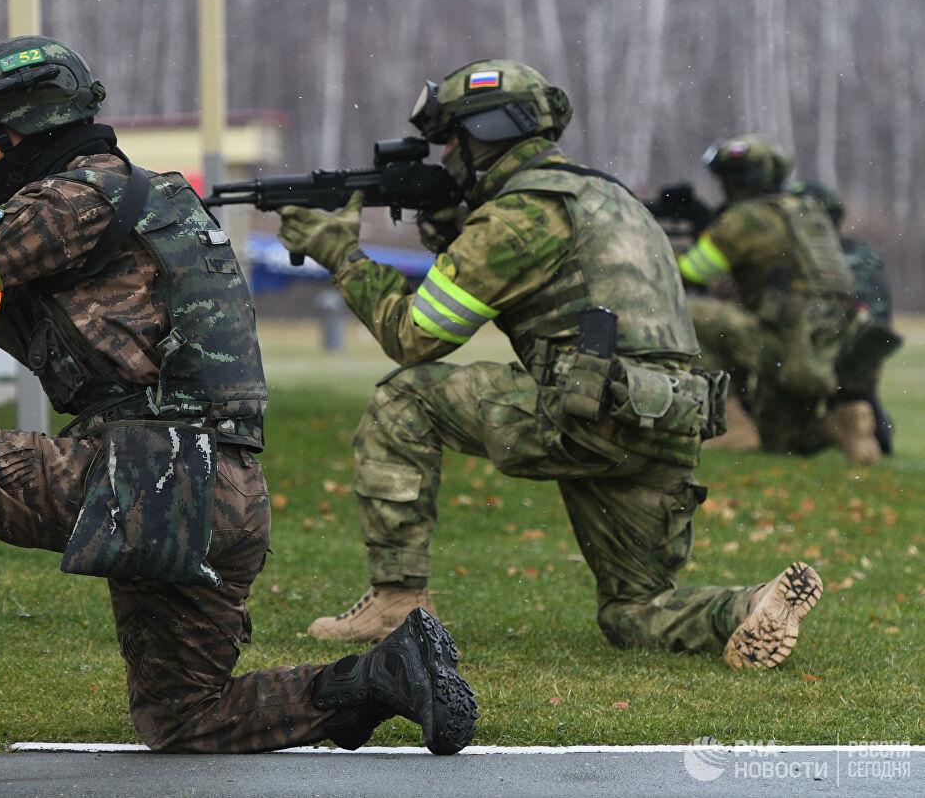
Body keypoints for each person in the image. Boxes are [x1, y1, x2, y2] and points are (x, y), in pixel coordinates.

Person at [0, 35, 477, 756]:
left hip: (154, 473)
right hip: (218, 489)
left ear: (29, 130)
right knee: (186, 716)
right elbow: (25, 313)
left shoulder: (75, 199)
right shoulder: (142, 197)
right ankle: (385, 676)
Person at [274, 59, 821, 671]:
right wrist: (449, 226)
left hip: (587, 413)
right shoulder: (609, 197)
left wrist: (340, 253)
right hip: (668, 418)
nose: (446, 154)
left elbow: (416, 336)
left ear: (483, 134)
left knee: (406, 397)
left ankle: (397, 600)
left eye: (451, 138)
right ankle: (752, 604)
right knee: (633, 610)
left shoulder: (521, 211)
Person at [677, 137, 881, 465]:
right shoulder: (806, 211)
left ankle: (729, 424)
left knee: (681, 311)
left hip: (785, 346)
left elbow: (690, 272)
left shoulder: (746, 218)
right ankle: (840, 424)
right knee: (781, 441)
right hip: (827, 351)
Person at [789, 180, 901, 455]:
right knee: (859, 397)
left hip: (815, 357)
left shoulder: (806, 257)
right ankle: (872, 428)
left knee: (786, 433)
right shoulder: (863, 254)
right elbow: (878, 317)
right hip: (858, 358)